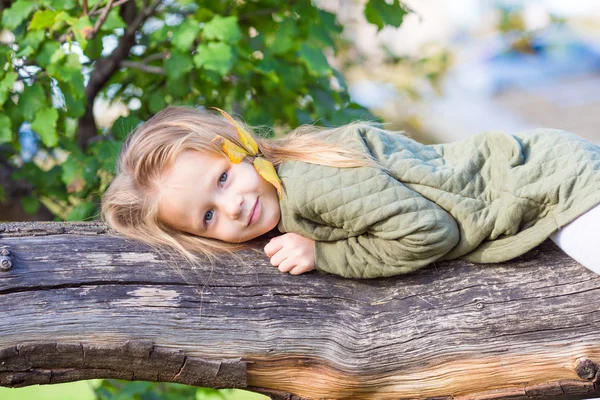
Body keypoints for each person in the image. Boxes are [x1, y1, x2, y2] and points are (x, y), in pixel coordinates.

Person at [100, 106, 600, 279]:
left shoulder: (309, 183)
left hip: (550, 184)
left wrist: (323, 254)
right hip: (534, 177)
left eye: (223, 180)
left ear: (237, 147)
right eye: (208, 219)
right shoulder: (289, 178)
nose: (232, 207)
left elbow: (429, 232)